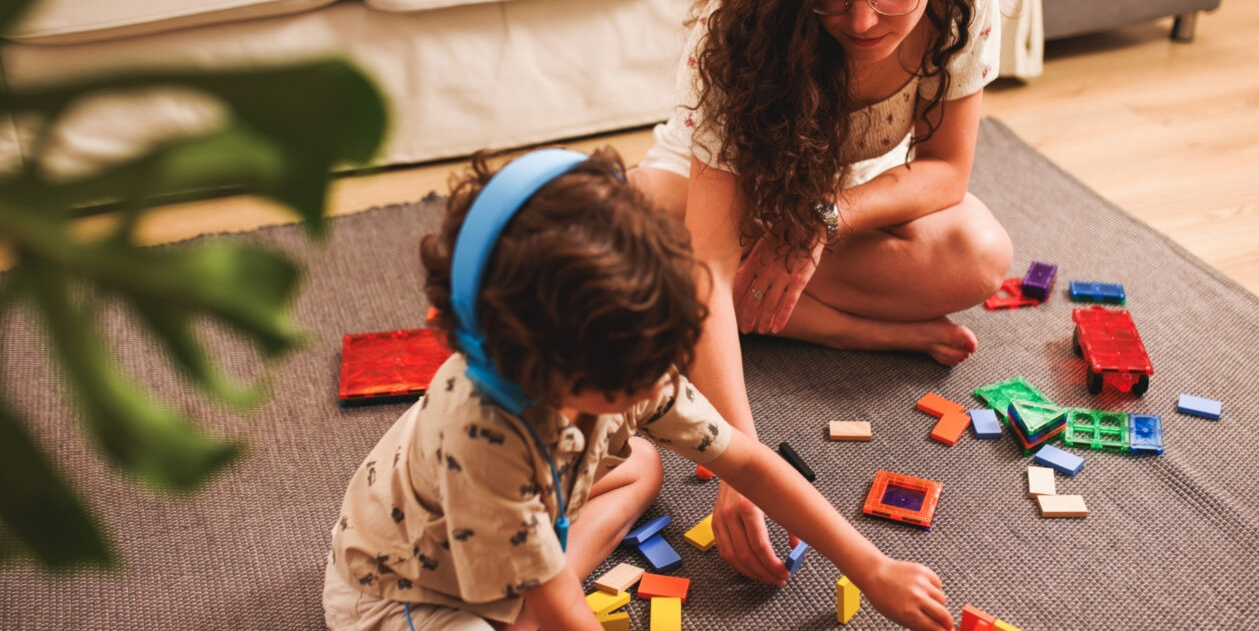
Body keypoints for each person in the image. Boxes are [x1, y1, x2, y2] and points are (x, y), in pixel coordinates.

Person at [321, 148, 954, 631]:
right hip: (404, 591)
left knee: (641, 461)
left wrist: (871, 567)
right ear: (535, 361)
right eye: (630, 378)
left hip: (505, 515)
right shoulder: (485, 439)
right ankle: (522, 592)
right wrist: (551, 602)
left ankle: (529, 579)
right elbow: (563, 614)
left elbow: (748, 463)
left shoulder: (625, 354)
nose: (657, 382)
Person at [627, 0, 1013, 589]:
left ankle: (744, 302)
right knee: (642, 238)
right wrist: (740, 465)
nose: (861, 20)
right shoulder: (740, 19)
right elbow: (710, 264)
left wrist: (817, 222)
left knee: (980, 255)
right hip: (708, 190)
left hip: (839, 196)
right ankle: (844, 327)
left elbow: (946, 169)